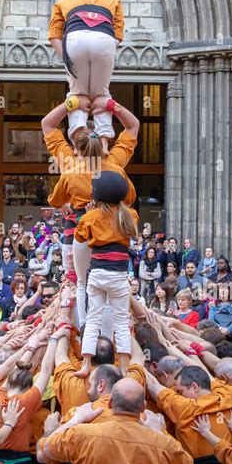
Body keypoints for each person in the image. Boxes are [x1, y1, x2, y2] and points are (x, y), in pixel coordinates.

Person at [42, 98, 138, 327]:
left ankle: (82, 329)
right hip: (112, 235)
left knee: (79, 284)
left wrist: (71, 105)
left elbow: (47, 125)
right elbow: (133, 126)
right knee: (110, 286)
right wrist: (112, 106)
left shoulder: (69, 166)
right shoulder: (114, 166)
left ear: (76, 146)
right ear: (102, 143)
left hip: (77, 233)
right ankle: (109, 335)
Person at [37, 378, 193, 464]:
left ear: (110, 403)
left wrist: (74, 420)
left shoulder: (80, 434)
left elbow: (43, 452)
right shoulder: (163, 445)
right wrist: (159, 432)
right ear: (143, 407)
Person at [48, 0, 124, 152]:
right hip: (104, 39)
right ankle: (104, 142)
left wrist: (67, 58)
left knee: (76, 95)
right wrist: (103, 51)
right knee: (102, 94)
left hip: (74, 40)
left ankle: (78, 143)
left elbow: (53, 36)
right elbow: (118, 35)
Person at [73, 171, 138, 377]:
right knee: (121, 320)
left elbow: (80, 237)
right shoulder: (131, 215)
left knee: (93, 319)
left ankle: (85, 365)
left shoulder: (90, 217)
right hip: (118, 276)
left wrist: (88, 214)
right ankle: (125, 368)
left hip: (97, 275)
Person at [0, 326, 68, 464]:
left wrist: (32, 345)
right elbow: (46, 370)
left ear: (8, 382)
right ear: (29, 387)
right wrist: (53, 340)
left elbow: (12, 372)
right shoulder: (24, 402)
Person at [145, 365, 232, 464]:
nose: (178, 395)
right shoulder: (226, 396)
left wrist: (135, 363)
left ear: (195, 387)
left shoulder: (185, 407)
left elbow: (152, 385)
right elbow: (209, 377)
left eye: (180, 391)